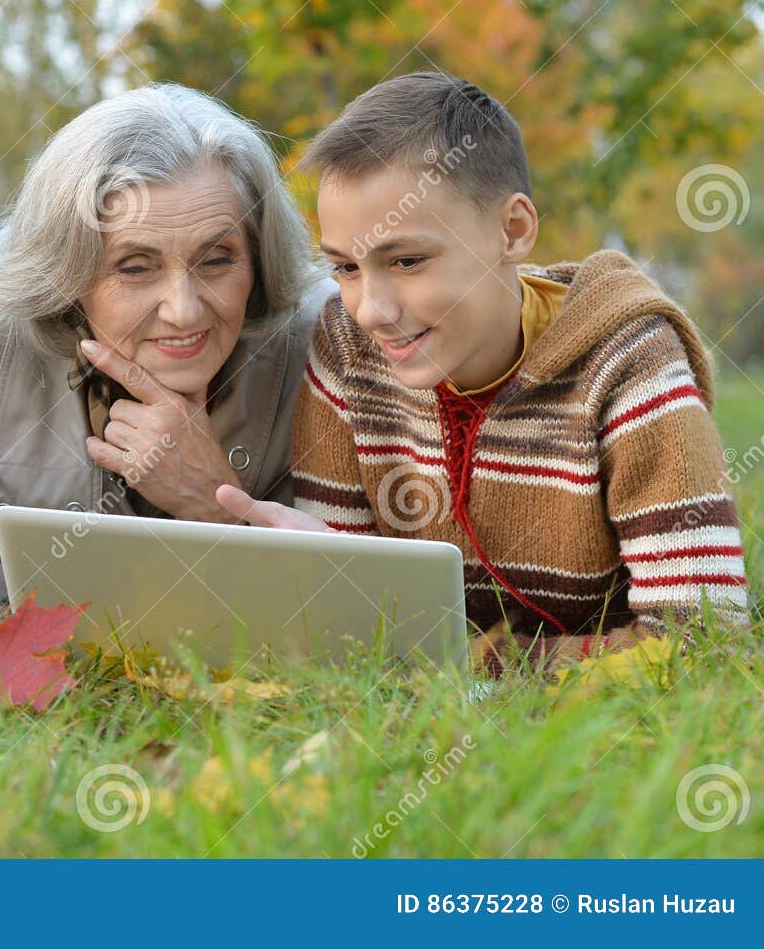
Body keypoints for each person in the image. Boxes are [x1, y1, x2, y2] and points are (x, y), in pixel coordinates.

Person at [215, 71, 751, 671]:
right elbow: (344, 629)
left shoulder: (626, 362)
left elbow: (702, 641)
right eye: (346, 268)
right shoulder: (346, 351)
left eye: (408, 260)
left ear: (513, 230)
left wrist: (472, 664)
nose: (373, 309)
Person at [0, 83, 329, 615]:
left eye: (217, 260)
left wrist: (215, 505)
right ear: (69, 273)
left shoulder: (322, 338)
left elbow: (336, 610)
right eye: (135, 267)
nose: (183, 310)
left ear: (257, 256)